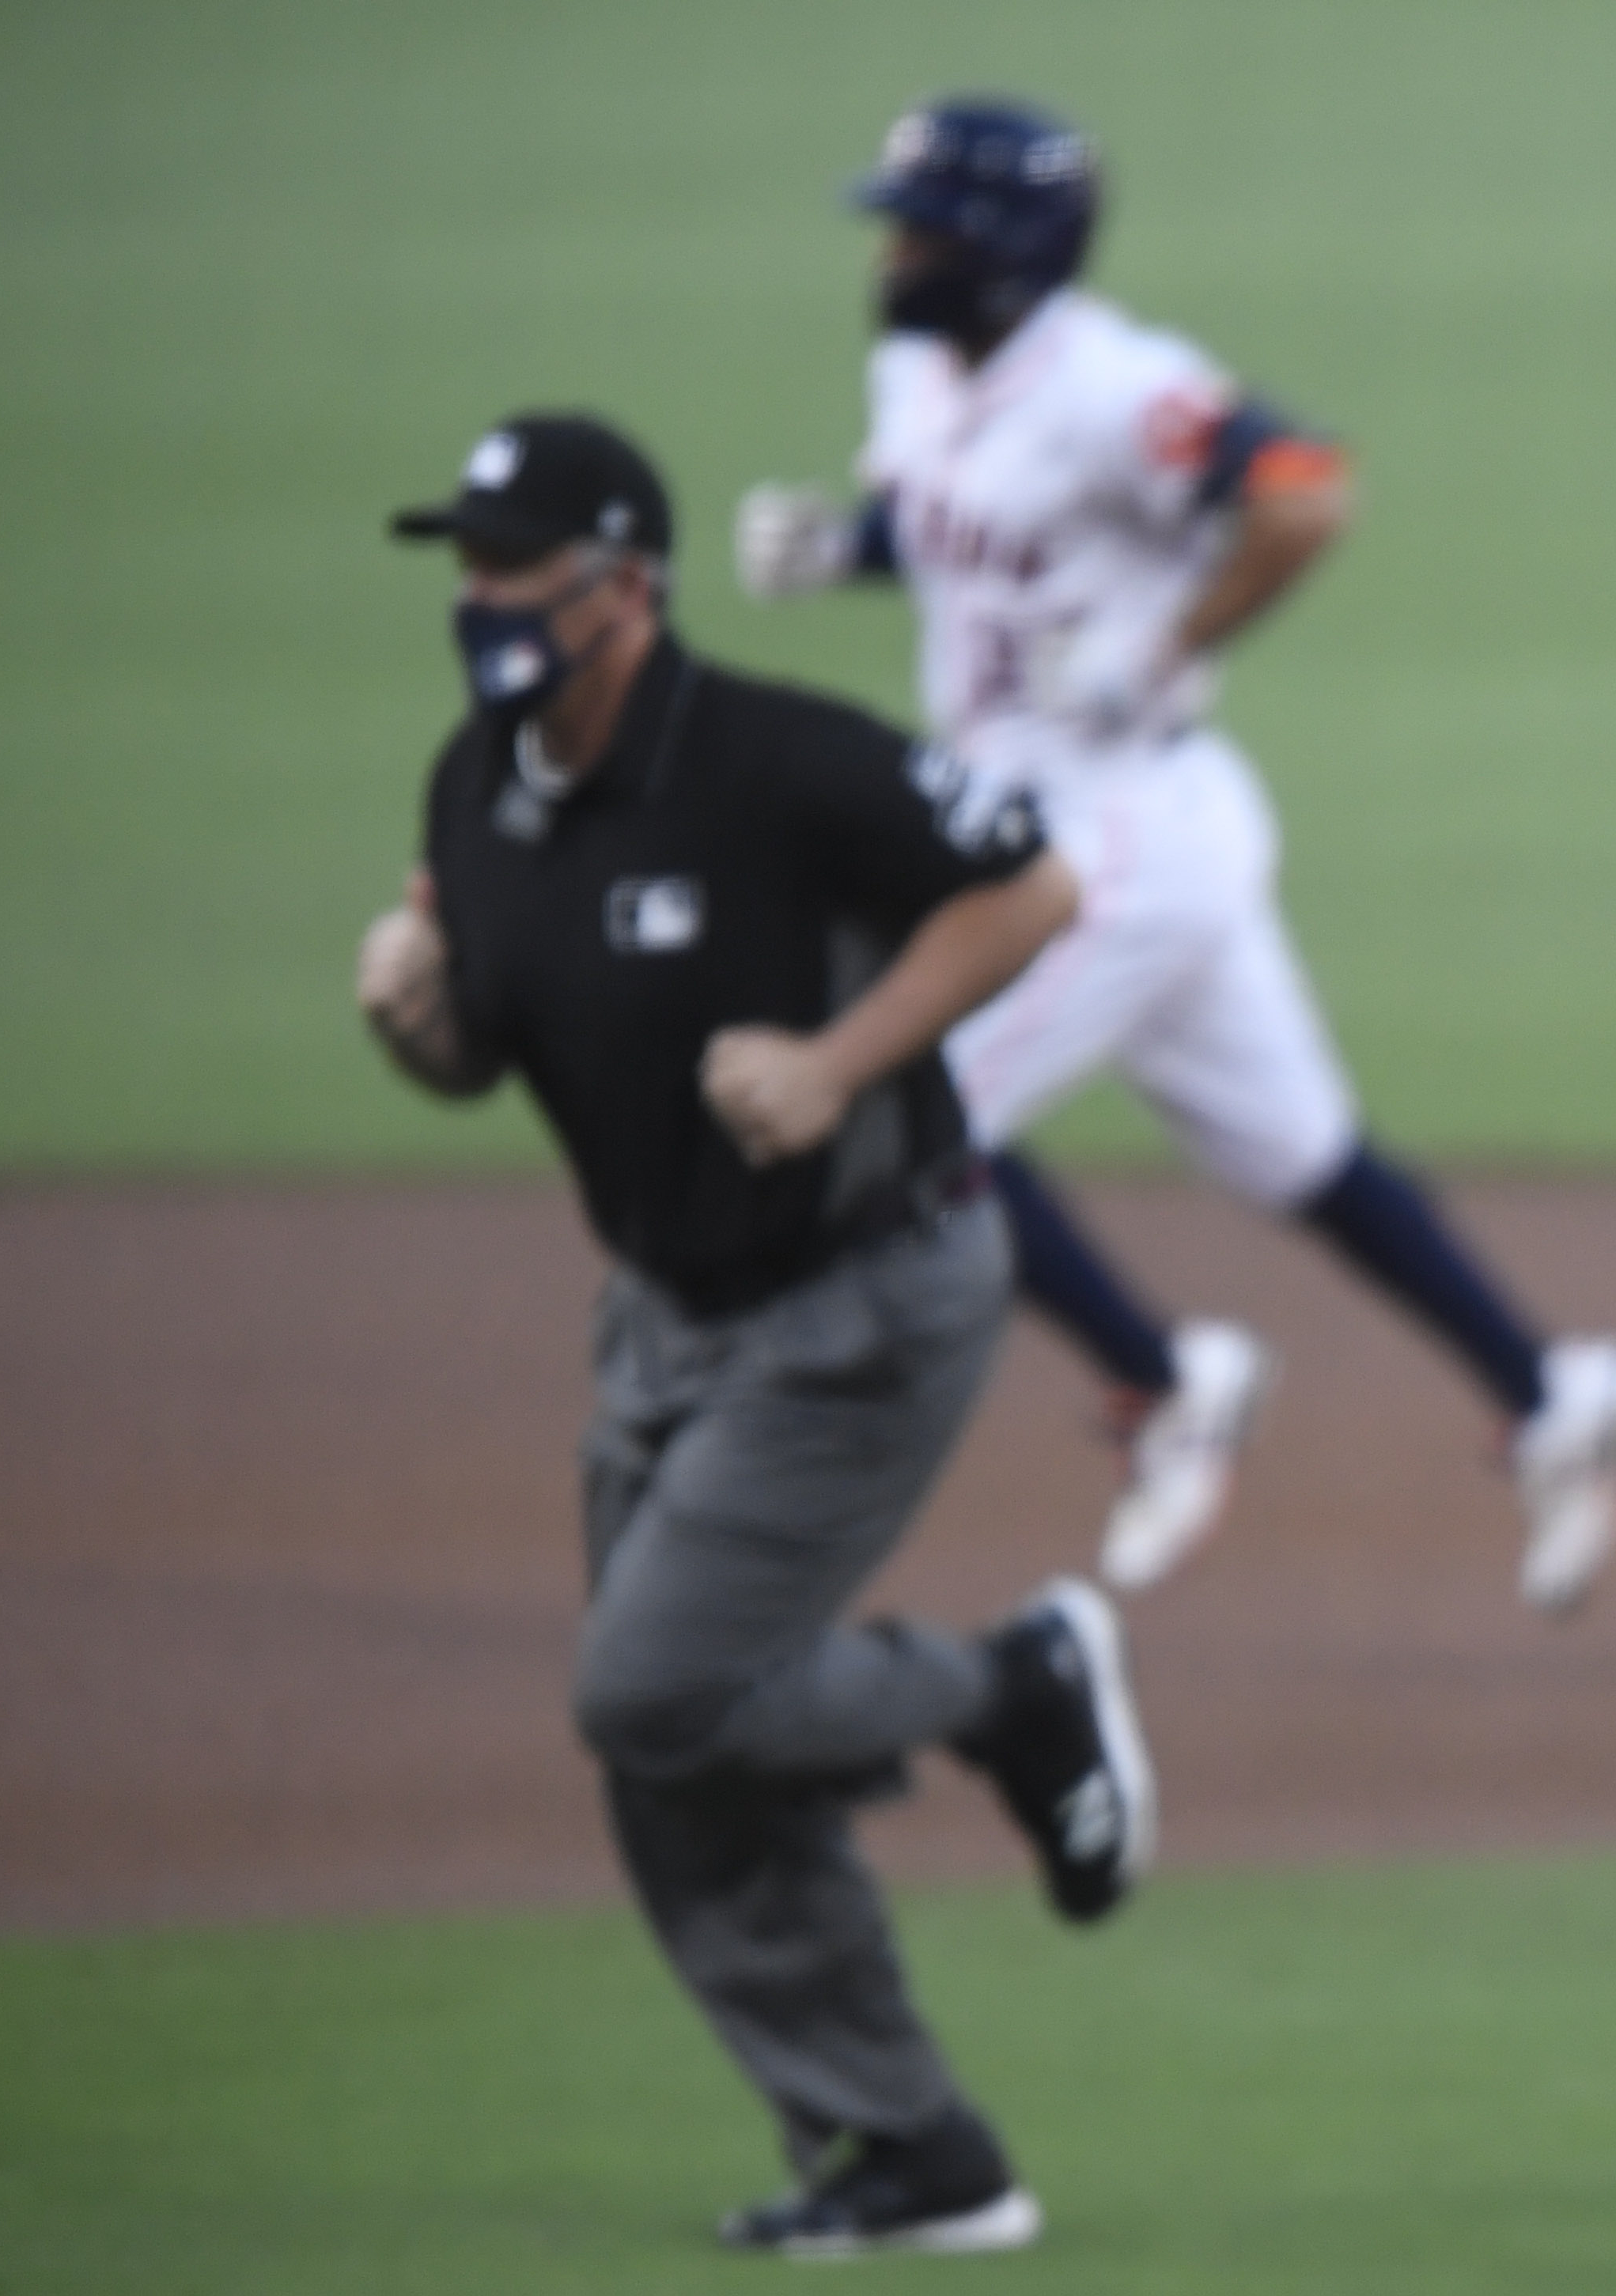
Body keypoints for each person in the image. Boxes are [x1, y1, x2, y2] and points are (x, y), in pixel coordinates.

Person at [357, 410, 1159, 2258]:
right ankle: (915, 2158)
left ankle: (1016, 1687)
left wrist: (836, 1062)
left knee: (648, 1690)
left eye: (515, 570)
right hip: (668, 1314)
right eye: (464, 569)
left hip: (870, 1290)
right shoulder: (472, 789)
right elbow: (483, 1049)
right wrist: (411, 1021)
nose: (481, 606)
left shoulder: (776, 762)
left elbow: (1030, 883)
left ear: (625, 584)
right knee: (681, 1752)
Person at [733, 96, 1616, 1609]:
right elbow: (976, 527)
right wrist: (850, 550)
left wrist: (1158, 641)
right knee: (1302, 1150)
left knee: (915, 1106)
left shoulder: (1115, 385)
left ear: (1000, 249)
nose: (892, 256)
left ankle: (1166, 1383)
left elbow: (1305, 492)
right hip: (1046, 816)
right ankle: (1555, 1395)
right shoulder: (918, 368)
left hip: (1117, 835)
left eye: (918, 228)